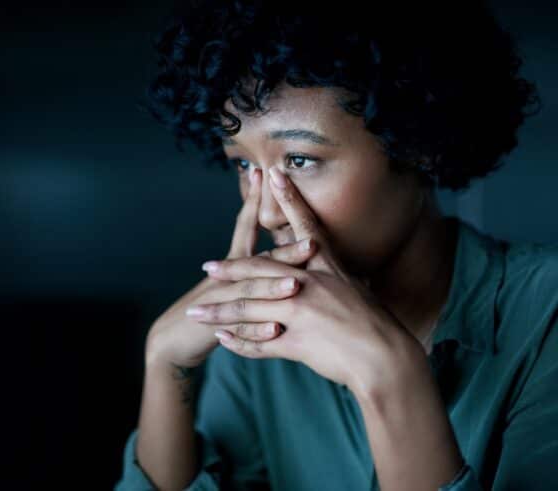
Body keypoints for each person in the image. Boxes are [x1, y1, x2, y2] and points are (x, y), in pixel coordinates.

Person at [115, 1, 556, 489]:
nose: (266, 211)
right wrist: (165, 362)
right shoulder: (255, 340)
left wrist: (391, 377)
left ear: (420, 146)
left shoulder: (545, 320)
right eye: (243, 165)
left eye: (300, 160)